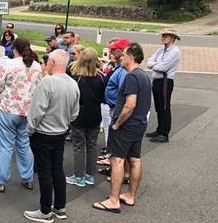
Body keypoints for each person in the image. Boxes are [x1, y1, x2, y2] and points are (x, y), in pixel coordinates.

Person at [93, 43, 151, 212]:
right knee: (134, 159)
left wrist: (118, 123)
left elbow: (130, 103)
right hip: (139, 124)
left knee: (117, 160)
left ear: (131, 56)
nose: (121, 56)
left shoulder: (131, 77)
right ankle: (130, 195)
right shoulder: (144, 76)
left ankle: (113, 199)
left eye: (124, 54)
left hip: (127, 125)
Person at [24, 50, 79, 223]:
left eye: (47, 60)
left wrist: (30, 129)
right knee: (57, 169)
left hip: (43, 133)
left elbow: (37, 111)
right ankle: (60, 206)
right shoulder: (73, 83)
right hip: (61, 132)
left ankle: (45, 210)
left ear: (53, 62)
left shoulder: (47, 82)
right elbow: (75, 113)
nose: (46, 63)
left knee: (45, 171)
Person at [0, 38, 42, 193]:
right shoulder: (37, 66)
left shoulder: (8, 64)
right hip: (27, 110)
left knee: (5, 146)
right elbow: (39, 87)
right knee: (24, 144)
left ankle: (1, 180)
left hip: (7, 108)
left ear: (14, 49)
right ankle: (27, 178)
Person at [65, 48, 105, 188]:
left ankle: (79, 176)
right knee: (92, 145)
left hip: (79, 116)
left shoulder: (76, 78)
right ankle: (90, 175)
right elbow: (102, 97)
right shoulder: (100, 77)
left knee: (79, 146)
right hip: (95, 115)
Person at [145, 29, 181, 143]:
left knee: (164, 106)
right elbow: (149, 62)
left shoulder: (174, 51)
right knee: (158, 106)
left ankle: (164, 133)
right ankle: (159, 129)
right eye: (163, 36)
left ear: (172, 38)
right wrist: (156, 64)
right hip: (157, 80)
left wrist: (155, 64)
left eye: (165, 36)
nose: (163, 38)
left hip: (165, 81)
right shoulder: (160, 50)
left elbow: (163, 67)